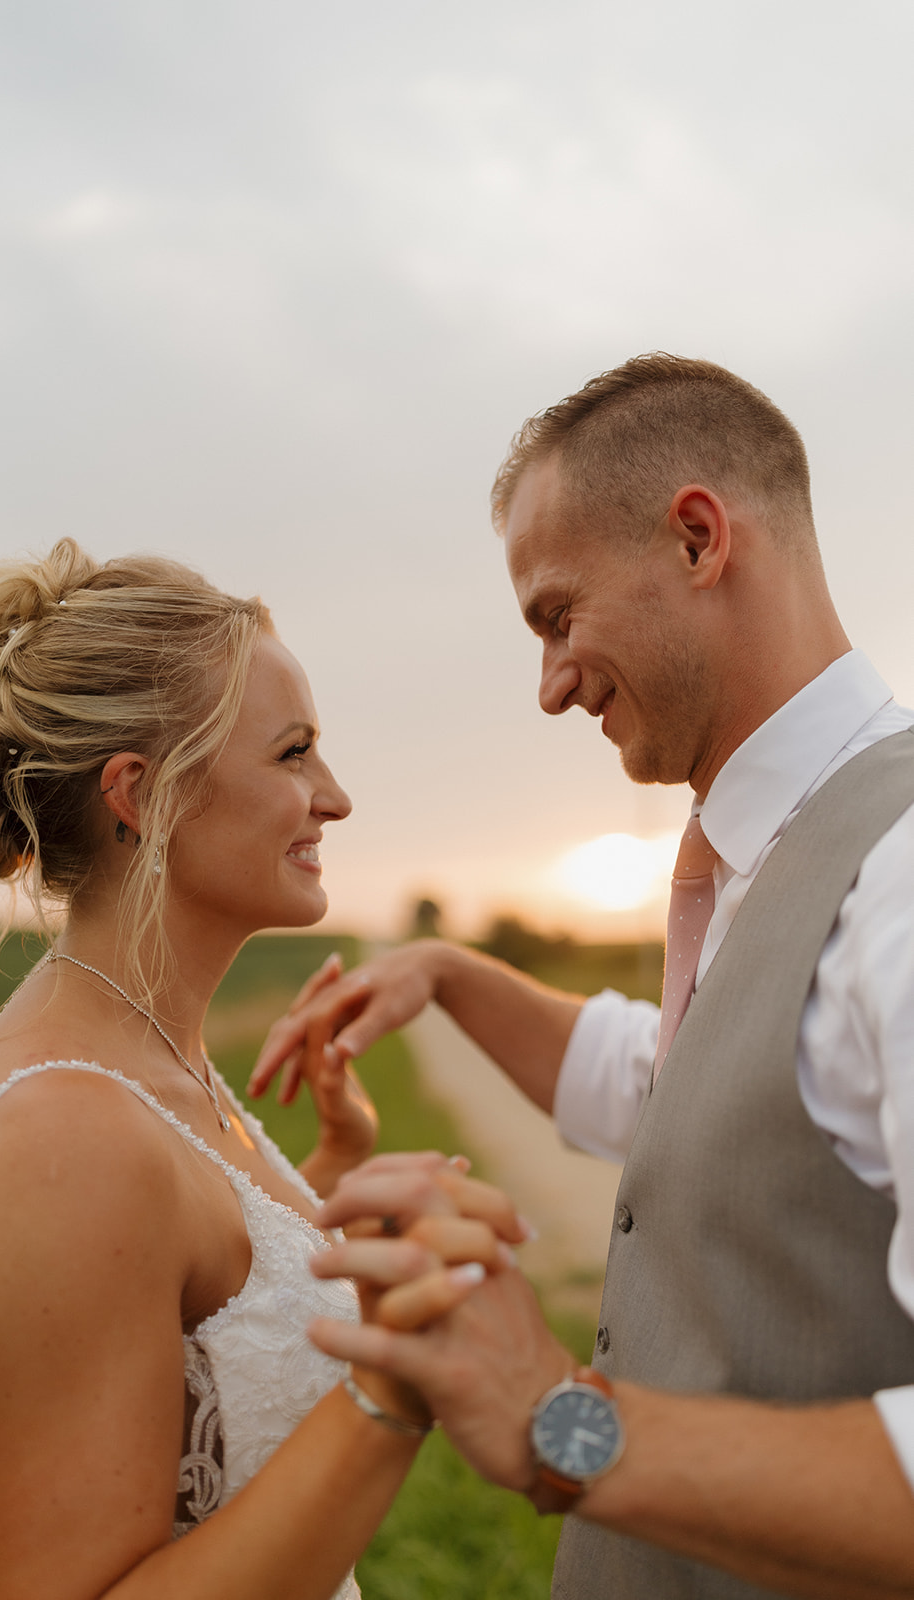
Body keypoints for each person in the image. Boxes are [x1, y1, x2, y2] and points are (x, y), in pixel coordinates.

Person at [250, 355, 914, 1598]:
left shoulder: (901, 865)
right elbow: (694, 1097)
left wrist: (558, 1413)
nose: (550, 684)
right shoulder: (763, 853)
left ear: (698, 538)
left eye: (557, 616)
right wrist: (447, 972)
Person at [0, 538, 521, 1600]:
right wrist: (390, 1389)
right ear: (142, 794)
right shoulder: (59, 1135)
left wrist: (332, 1178)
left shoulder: (139, 1060)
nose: (335, 796)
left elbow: (197, 1330)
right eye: (292, 752)